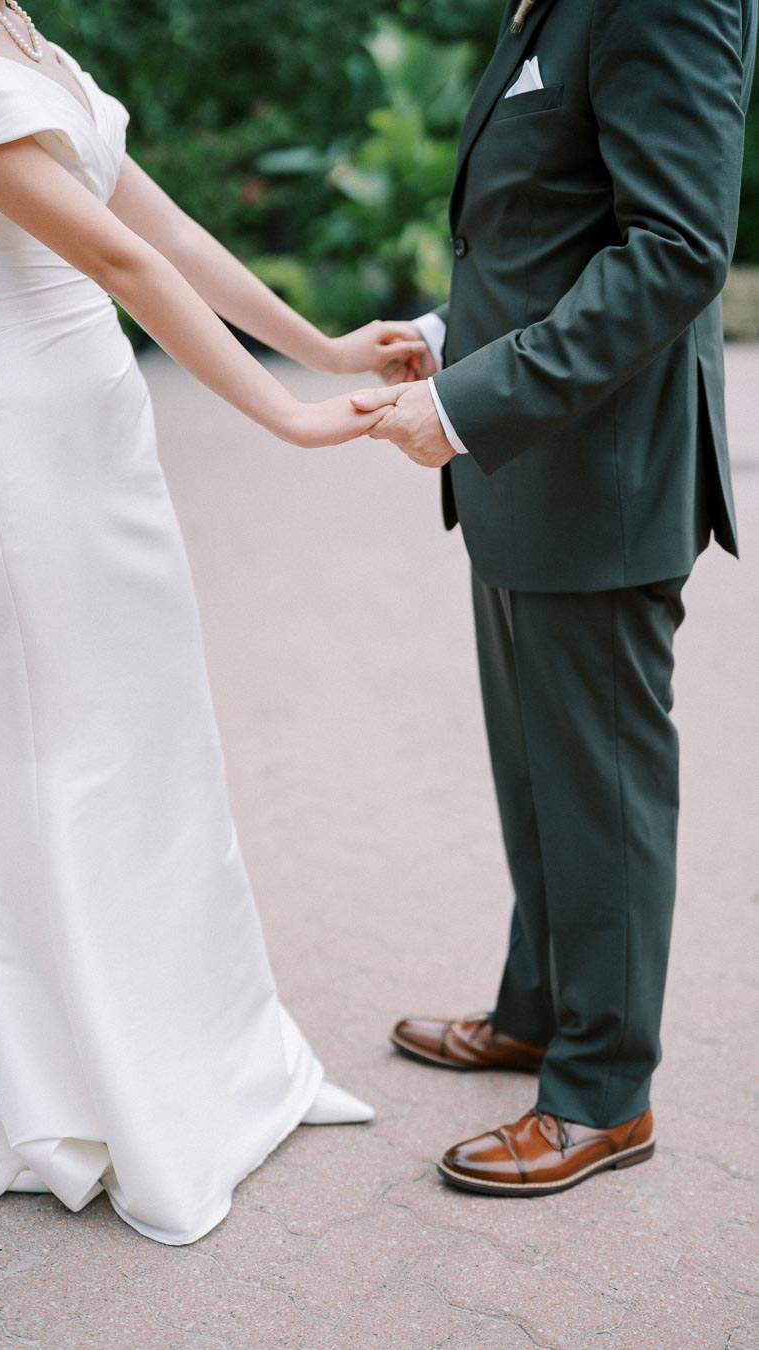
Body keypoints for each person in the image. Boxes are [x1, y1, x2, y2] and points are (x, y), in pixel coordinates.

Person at [0, 0, 427, 1245]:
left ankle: (209, 1060)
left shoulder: (8, 21)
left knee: (151, 750)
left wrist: (320, 348)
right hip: (13, 446)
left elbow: (159, 223)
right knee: (61, 763)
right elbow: (118, 265)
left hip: (93, 431)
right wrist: (278, 416)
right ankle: (79, 1089)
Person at [353, 0, 757, 1195]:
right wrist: (447, 333)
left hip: (602, 473)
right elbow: (548, 222)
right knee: (540, 773)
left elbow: (678, 250)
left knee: (604, 788)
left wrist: (476, 403)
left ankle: (602, 1096)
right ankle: (539, 1007)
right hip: (526, 472)